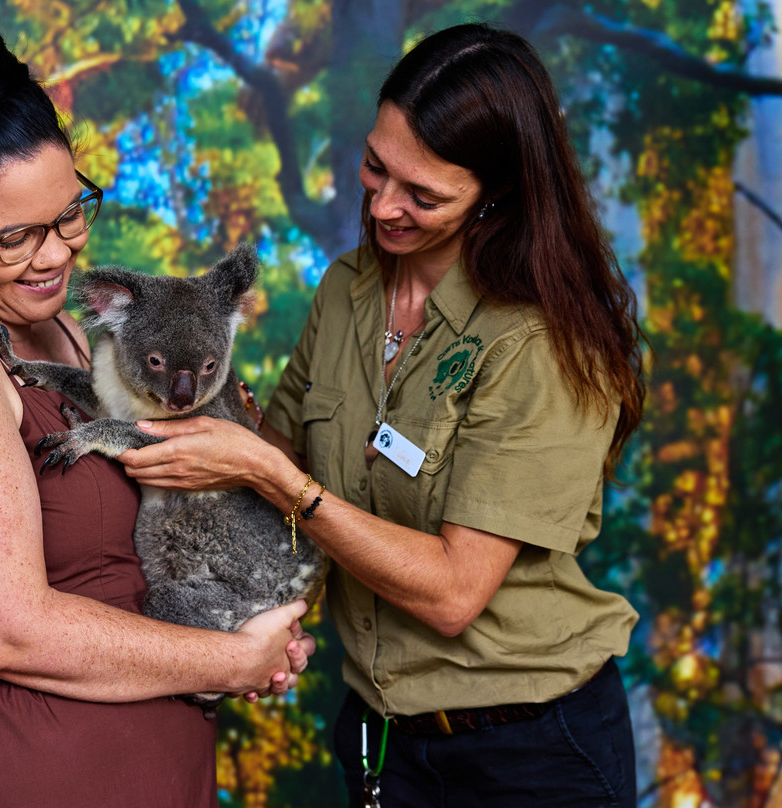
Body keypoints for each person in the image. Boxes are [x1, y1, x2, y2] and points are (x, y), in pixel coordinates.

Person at [119, 23, 646, 808]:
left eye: (424, 195)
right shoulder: (348, 287)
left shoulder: (540, 340)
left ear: (494, 195)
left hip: (530, 753)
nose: (385, 206)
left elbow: (453, 592)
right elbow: (269, 448)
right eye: (375, 167)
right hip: (381, 739)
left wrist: (278, 479)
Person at [0, 2, 313, 806]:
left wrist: (258, 612)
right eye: (16, 236)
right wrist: (233, 660)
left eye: (69, 213)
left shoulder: (60, 323)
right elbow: (4, 631)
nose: (58, 251)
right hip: (12, 770)